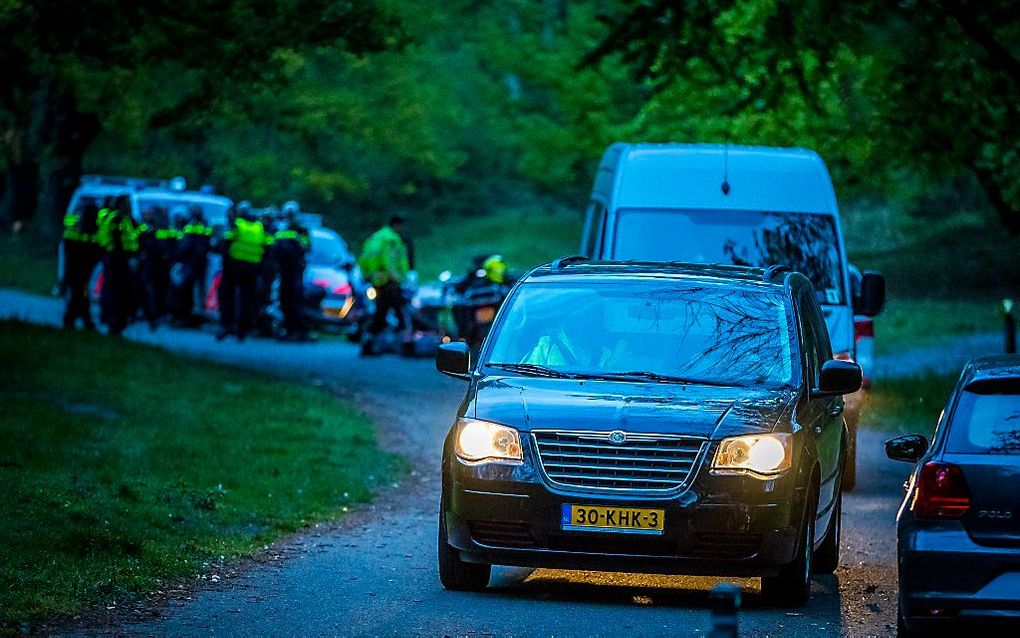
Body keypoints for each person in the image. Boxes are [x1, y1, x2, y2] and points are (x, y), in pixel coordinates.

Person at [218, 202, 272, 341]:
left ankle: (227, 324)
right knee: (247, 299)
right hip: (253, 269)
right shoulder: (259, 228)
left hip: (233, 268)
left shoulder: (237, 225)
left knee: (227, 296)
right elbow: (267, 249)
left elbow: (225, 244)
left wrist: (225, 265)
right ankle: (243, 329)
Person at [358, 215, 410, 356]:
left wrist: (368, 276)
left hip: (377, 282)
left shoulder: (375, 238)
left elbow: (363, 259)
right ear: (397, 225)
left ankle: (367, 343)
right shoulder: (391, 239)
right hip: (390, 283)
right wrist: (397, 278)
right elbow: (389, 261)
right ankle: (407, 346)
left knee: (380, 315)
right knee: (401, 314)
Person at [98, 195, 139, 336]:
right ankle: (113, 320)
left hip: (123, 259)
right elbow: (112, 240)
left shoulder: (126, 219)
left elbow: (131, 238)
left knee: (123, 291)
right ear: (120, 204)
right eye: (126, 203)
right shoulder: (116, 219)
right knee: (115, 291)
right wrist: (120, 256)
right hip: (116, 260)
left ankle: (120, 320)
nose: (128, 206)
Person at [273, 202, 311, 341]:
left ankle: (298, 330)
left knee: (295, 301)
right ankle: (287, 328)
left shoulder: (301, 230)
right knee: (284, 300)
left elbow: (307, 247)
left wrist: (297, 239)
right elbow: (275, 247)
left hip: (295, 271)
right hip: (283, 270)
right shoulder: (280, 228)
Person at [61, 198, 101, 330]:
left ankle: (73, 318)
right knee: (80, 292)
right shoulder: (80, 225)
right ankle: (80, 319)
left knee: (79, 292)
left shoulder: (88, 225)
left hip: (82, 265)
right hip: (78, 264)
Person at [177, 206, 212, 323]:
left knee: (195, 289)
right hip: (193, 262)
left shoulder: (195, 224)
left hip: (195, 262)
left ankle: (193, 314)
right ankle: (187, 314)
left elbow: (185, 243)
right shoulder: (197, 224)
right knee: (189, 289)